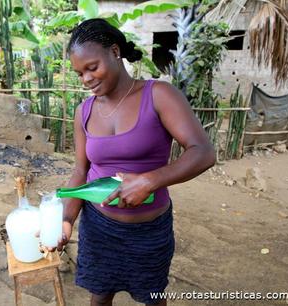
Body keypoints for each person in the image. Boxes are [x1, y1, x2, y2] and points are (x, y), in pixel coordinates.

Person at [56, 19, 216, 306]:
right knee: (100, 294)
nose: (86, 79)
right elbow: (81, 170)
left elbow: (203, 151)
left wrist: (149, 180)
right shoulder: (84, 111)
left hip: (149, 230)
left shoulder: (159, 95)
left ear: (115, 52)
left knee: (151, 296)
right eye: (79, 73)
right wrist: (67, 221)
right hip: (99, 227)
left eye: (92, 67)